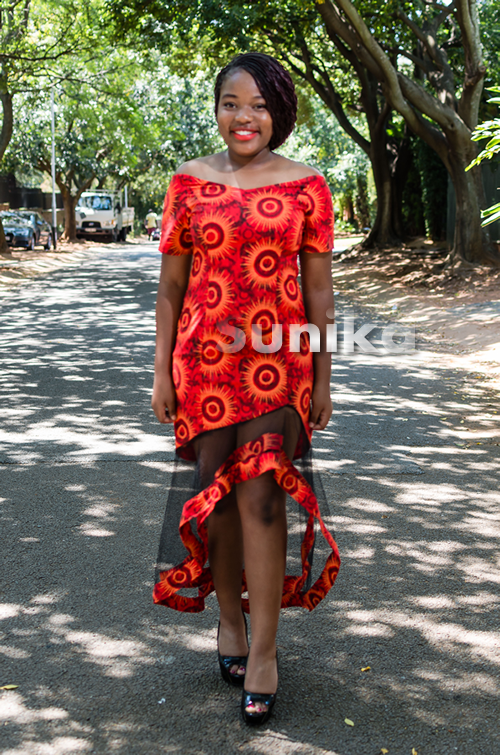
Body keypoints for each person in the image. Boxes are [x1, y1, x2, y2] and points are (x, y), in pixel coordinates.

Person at [151, 52, 340, 726]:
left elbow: (318, 291)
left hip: (279, 366)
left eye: (260, 105)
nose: (245, 117)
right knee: (222, 503)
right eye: (233, 103)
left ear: (280, 113)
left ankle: (264, 651)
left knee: (262, 498)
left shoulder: (308, 187)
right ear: (217, 108)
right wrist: (160, 369)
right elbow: (170, 290)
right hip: (202, 367)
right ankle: (228, 621)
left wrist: (322, 372)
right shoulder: (187, 185)